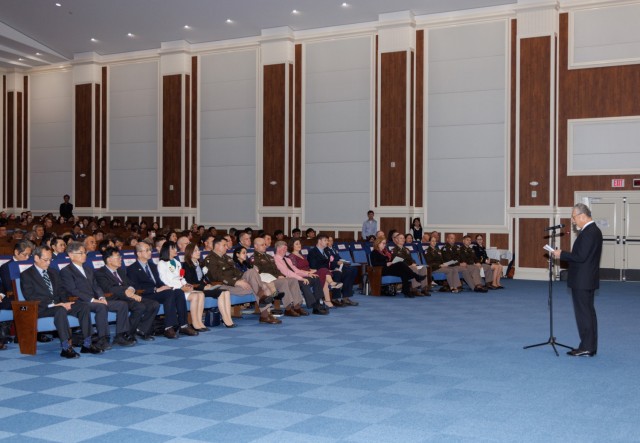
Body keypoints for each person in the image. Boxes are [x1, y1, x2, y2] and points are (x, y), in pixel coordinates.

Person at [20, 245, 102, 358]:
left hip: (59, 305)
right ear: (36, 258)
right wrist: (55, 304)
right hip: (41, 308)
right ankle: (66, 347)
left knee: (83, 307)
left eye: (50, 259)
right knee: (60, 310)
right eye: (45, 260)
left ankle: (87, 344)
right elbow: (30, 296)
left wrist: (65, 302)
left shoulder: (53, 272)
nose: (48, 262)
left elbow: (62, 291)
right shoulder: (27, 274)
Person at [60, 241, 135, 349]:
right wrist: (93, 300)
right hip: (79, 301)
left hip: (95, 300)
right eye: (81, 253)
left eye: (84, 252)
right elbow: (73, 290)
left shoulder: (88, 269)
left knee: (122, 304)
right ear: (71, 255)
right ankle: (103, 339)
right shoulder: (66, 271)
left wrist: (101, 297)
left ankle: (120, 336)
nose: (84, 255)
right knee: (101, 306)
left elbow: (96, 286)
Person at [552, 203, 603, 357]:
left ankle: (586, 347)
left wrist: (562, 254)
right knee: (588, 313)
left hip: (583, 280)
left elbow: (580, 257)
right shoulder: (594, 231)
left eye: (573, 218)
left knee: (584, 314)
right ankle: (589, 346)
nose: (573, 221)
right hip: (587, 279)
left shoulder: (589, 232)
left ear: (582, 215)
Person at [126, 242, 198, 339]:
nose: (150, 252)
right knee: (169, 293)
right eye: (147, 250)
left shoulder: (152, 266)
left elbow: (159, 282)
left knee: (178, 291)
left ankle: (183, 325)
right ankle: (168, 327)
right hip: (145, 294)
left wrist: (166, 286)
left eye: (150, 250)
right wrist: (155, 289)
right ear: (139, 253)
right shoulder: (132, 268)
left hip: (157, 292)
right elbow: (136, 287)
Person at [204, 236, 279, 324]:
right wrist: (236, 282)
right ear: (217, 246)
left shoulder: (227, 258)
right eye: (224, 245)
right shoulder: (210, 259)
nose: (227, 247)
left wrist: (242, 280)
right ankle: (265, 314)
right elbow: (217, 277)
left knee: (253, 274)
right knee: (262, 285)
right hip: (223, 286)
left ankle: (265, 312)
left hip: (236, 283)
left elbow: (237, 272)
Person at [94, 247, 160, 341]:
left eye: (120, 257)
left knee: (154, 304)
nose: (121, 259)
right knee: (140, 307)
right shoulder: (100, 273)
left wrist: (131, 289)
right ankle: (128, 334)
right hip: (114, 298)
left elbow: (131, 284)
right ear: (109, 260)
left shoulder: (121, 271)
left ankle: (141, 329)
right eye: (118, 257)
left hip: (128, 297)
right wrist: (127, 291)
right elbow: (109, 288)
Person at [157, 241, 209, 332]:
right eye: (173, 248)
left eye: (175, 248)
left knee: (201, 294)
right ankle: (195, 323)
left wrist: (187, 284)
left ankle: (199, 322)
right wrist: (181, 288)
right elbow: (164, 280)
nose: (175, 250)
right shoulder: (162, 263)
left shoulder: (177, 262)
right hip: (174, 291)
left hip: (182, 287)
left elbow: (181, 277)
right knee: (195, 296)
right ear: (166, 250)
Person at [182, 243, 236, 328]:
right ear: (190, 253)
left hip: (204, 288)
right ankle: (226, 319)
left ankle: (228, 318)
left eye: (198, 250)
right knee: (221, 293)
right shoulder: (186, 265)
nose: (198, 252)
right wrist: (203, 287)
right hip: (196, 289)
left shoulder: (199, 264)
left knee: (226, 292)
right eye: (195, 250)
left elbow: (204, 278)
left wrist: (209, 285)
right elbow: (189, 282)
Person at [252, 237, 308, 317]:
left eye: (265, 244)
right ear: (255, 246)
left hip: (275, 278)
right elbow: (258, 272)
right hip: (267, 281)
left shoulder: (269, 256)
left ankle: (297, 306)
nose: (264, 246)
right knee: (284, 281)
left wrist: (279, 275)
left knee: (293, 280)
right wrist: (278, 277)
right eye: (262, 245)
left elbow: (276, 269)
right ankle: (288, 309)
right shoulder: (254, 258)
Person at [274, 241, 328, 315]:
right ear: (278, 249)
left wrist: (308, 274)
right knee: (304, 282)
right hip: (286, 279)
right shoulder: (275, 259)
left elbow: (296, 270)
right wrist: (302, 278)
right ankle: (314, 306)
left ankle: (318, 303)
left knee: (316, 278)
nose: (285, 250)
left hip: (294, 277)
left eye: (286, 249)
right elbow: (287, 272)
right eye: (284, 248)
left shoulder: (287, 259)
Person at [288, 238, 341, 308]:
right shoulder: (291, 256)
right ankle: (331, 285)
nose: (299, 245)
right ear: (292, 246)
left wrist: (311, 270)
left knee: (324, 271)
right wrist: (308, 272)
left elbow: (306, 266)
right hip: (302, 275)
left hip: (309, 273)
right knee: (324, 271)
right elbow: (295, 270)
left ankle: (328, 300)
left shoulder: (301, 255)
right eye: (297, 244)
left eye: (299, 244)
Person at [308, 235, 358, 306]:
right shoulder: (313, 252)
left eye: (327, 240)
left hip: (328, 271)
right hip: (320, 272)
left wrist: (335, 268)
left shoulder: (326, 251)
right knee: (337, 273)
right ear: (319, 241)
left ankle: (345, 297)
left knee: (349, 271)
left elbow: (330, 263)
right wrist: (330, 269)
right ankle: (335, 298)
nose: (327, 242)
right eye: (325, 240)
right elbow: (313, 266)